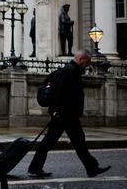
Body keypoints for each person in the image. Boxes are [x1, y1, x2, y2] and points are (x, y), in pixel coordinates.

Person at [28, 49, 111, 178]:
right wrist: (57, 112)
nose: (88, 64)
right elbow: (60, 95)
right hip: (65, 116)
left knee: (75, 142)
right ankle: (91, 168)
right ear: (80, 59)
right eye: (87, 61)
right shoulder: (69, 73)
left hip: (66, 115)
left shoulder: (70, 71)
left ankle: (91, 167)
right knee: (59, 142)